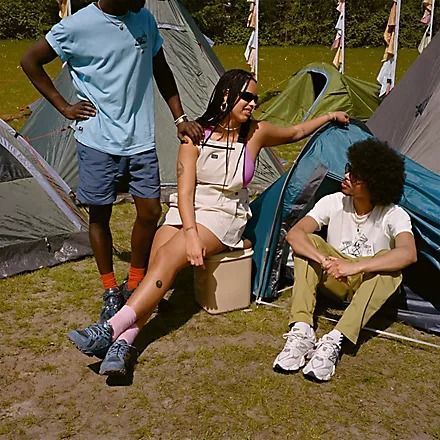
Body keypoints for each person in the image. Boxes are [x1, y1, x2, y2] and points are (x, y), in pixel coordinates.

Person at [67, 68, 349, 376]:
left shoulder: (256, 133)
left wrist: (329, 116)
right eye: (247, 97)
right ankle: (123, 344)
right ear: (226, 95)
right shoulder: (195, 134)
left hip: (224, 214)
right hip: (187, 209)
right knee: (158, 259)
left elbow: (295, 132)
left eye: (255, 99)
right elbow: (185, 191)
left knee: (168, 256)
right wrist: (189, 232)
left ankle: (110, 328)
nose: (253, 104)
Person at [21, 0, 203, 323]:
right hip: (97, 141)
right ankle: (109, 290)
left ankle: (134, 283)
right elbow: (30, 61)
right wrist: (63, 106)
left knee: (150, 211)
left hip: (140, 139)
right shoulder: (77, 26)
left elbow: (161, 68)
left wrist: (180, 118)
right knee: (100, 214)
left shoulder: (144, 20)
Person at [273, 138, 417, 382]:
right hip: (333, 276)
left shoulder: (394, 214)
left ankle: (335, 339)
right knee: (309, 242)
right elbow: (295, 234)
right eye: (349, 168)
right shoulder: (333, 202)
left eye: (356, 175)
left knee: (390, 264)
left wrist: (354, 266)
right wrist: (324, 260)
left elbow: (408, 253)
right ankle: (302, 330)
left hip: (365, 284)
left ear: (374, 184)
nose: (347, 176)